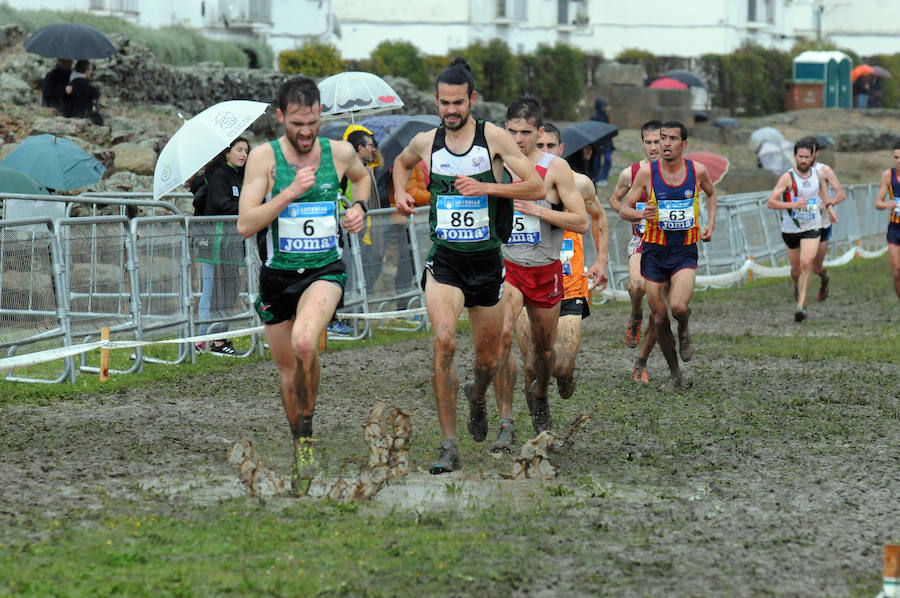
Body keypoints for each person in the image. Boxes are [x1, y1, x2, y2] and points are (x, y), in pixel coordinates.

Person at [391, 57, 544, 474]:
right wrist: (400, 193)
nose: (451, 110)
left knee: (488, 361)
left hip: (486, 263)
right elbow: (401, 163)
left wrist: (487, 186)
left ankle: (478, 399)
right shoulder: (426, 141)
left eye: (458, 102)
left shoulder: (493, 138)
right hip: (445, 262)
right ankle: (449, 445)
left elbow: (535, 183)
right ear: (436, 102)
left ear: (472, 100)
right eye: (444, 103)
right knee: (443, 342)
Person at [236, 75, 371, 494]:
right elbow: (246, 224)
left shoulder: (340, 152)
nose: (306, 131)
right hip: (277, 274)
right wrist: (289, 194)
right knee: (288, 370)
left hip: (324, 270)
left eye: (312, 121)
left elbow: (363, 179)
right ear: (280, 118)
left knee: (306, 343)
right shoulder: (264, 159)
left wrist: (359, 208)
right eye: (297, 123)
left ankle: (308, 433)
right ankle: (302, 443)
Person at [487, 98, 589, 451]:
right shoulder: (495, 164)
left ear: (540, 132)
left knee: (545, 354)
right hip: (509, 268)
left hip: (545, 269)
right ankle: (505, 422)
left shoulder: (555, 168)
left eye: (526, 132)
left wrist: (539, 211)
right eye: (511, 131)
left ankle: (541, 395)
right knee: (500, 336)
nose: (518, 139)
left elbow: (582, 222)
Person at [511, 122, 608, 426]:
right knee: (530, 365)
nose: (544, 153)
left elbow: (598, 215)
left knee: (562, 367)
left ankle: (564, 380)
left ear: (561, 150)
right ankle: (541, 419)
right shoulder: (511, 180)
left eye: (549, 147)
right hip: (527, 281)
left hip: (569, 285)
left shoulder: (579, 184)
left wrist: (601, 260)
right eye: (538, 146)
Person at [619, 121, 717, 388]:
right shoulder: (646, 174)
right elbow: (623, 208)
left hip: (684, 250)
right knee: (659, 316)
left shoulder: (696, 171)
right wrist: (640, 213)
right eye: (662, 138)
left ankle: (684, 328)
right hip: (653, 252)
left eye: (672, 138)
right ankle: (675, 374)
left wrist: (710, 223)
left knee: (678, 307)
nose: (665, 143)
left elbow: (711, 193)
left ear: (684, 144)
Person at [608, 120, 663, 383]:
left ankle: (641, 362)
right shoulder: (630, 174)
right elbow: (613, 199)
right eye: (649, 142)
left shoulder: (677, 173)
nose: (654, 147)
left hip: (669, 246)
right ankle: (634, 313)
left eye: (658, 141)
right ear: (642, 143)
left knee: (660, 313)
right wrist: (634, 212)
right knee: (637, 286)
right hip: (641, 241)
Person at [765, 138, 833, 322]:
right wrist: (793, 204)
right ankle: (798, 287)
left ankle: (800, 307)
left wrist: (830, 209)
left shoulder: (817, 175)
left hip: (812, 227)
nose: (803, 160)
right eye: (800, 156)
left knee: (806, 264)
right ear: (795, 156)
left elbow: (823, 193)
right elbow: (771, 202)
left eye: (807, 157)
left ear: (813, 157)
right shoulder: (787, 177)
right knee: (796, 270)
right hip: (791, 229)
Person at [193, 137, 250, 355]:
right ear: (227, 153)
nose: (243, 154)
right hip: (215, 242)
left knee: (228, 290)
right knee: (214, 291)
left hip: (232, 243)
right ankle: (204, 340)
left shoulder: (240, 175)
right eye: (239, 149)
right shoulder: (219, 175)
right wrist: (247, 207)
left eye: (246, 150)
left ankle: (214, 339)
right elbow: (222, 205)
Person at [803, 137, 846, 302]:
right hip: (804, 223)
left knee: (816, 267)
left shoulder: (824, 170)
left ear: (817, 153)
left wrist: (827, 205)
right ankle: (800, 297)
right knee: (803, 263)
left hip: (823, 223)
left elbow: (841, 194)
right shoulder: (795, 172)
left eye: (810, 153)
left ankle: (824, 279)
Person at [873, 141, 900, 302]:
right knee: (897, 270)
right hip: (895, 228)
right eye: (896, 157)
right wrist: (886, 204)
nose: (899, 161)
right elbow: (878, 202)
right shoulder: (888, 175)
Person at [590, 98, 614, 185]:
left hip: (607, 143)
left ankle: (604, 178)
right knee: (596, 162)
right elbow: (593, 131)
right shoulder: (594, 117)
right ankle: (596, 179)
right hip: (597, 144)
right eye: (603, 105)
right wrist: (598, 143)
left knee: (608, 159)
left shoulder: (605, 115)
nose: (604, 107)